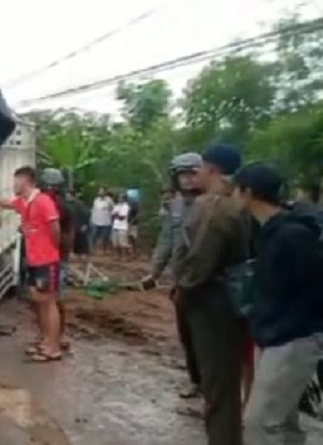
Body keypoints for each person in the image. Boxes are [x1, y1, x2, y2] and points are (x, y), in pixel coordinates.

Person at [233, 162, 323, 445]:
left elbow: (314, 289)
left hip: (291, 338)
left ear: (247, 193)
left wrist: (283, 326)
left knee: (259, 424)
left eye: (236, 190)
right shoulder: (270, 231)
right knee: (284, 422)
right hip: (274, 335)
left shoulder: (292, 236)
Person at [176, 143, 251, 445]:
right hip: (231, 302)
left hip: (212, 304)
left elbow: (199, 261)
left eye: (201, 168)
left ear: (212, 170)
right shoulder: (240, 201)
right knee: (225, 386)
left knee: (218, 388)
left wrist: (183, 291)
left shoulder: (215, 206)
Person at [0, 166, 63, 361]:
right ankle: (45, 340)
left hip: (46, 260)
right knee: (38, 300)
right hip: (35, 259)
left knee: (48, 302)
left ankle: (53, 347)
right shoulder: (24, 202)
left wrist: (49, 248)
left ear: (26, 181)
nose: (13, 185)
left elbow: (55, 229)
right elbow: (7, 203)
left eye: (16, 181)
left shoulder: (43, 202)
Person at [144, 153, 205, 400]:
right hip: (182, 281)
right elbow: (166, 242)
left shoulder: (213, 203)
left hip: (210, 280)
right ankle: (196, 381)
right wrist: (154, 272)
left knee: (209, 338)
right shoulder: (175, 206)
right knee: (187, 335)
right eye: (183, 174)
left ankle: (215, 387)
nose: (188, 179)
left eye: (192, 173)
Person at [40, 168, 72, 352]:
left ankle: (59, 336)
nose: (49, 189)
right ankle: (47, 335)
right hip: (42, 257)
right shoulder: (41, 204)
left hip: (57, 257)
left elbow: (68, 234)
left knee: (56, 299)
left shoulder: (64, 207)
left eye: (52, 186)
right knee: (42, 300)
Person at [66, 189, 91, 262]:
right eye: (67, 196)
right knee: (71, 240)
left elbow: (86, 214)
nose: (67, 197)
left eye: (68, 196)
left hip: (79, 225)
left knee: (82, 240)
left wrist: (85, 224)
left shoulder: (79, 204)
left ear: (72, 196)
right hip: (70, 226)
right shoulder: (66, 204)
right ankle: (72, 253)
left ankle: (84, 254)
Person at [90, 187, 114, 254]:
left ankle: (104, 250)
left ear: (105, 192)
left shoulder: (109, 200)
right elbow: (93, 210)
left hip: (106, 222)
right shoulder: (96, 200)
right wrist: (92, 219)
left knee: (105, 237)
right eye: (99, 191)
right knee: (94, 236)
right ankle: (93, 249)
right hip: (96, 221)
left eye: (102, 191)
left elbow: (113, 209)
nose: (100, 192)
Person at [111, 193, 131, 259]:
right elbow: (112, 215)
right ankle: (118, 256)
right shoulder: (116, 206)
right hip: (115, 226)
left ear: (124, 199)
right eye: (119, 197)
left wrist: (116, 214)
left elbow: (122, 217)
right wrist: (117, 215)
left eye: (121, 198)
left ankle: (125, 256)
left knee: (123, 243)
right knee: (115, 243)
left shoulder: (126, 206)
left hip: (123, 226)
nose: (119, 199)